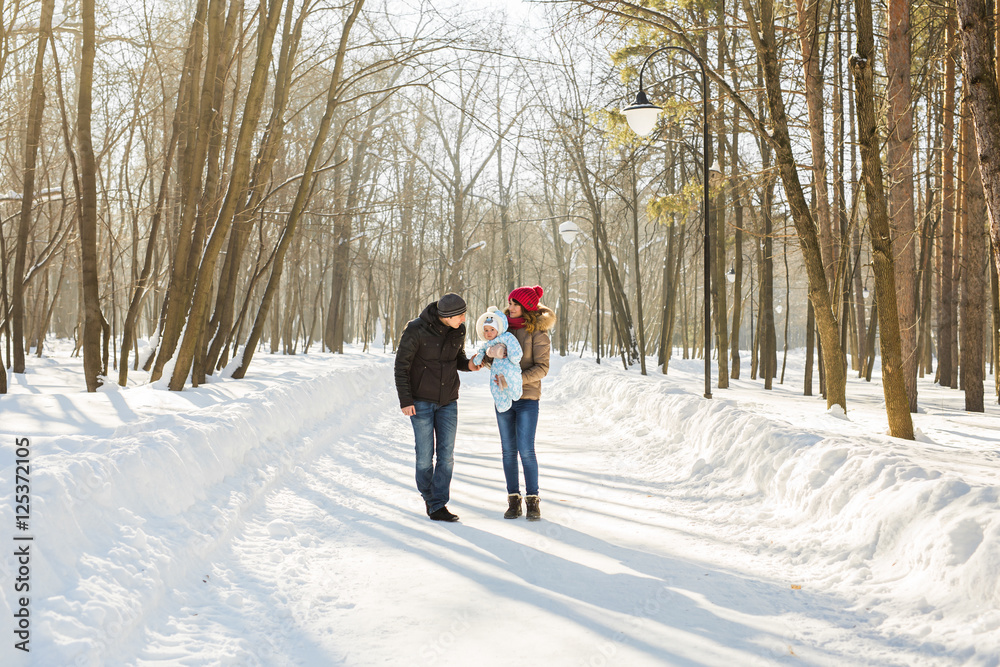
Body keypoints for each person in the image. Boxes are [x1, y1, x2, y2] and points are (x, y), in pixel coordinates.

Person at [394, 293, 481, 522]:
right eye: (460, 315)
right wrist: (406, 400)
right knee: (424, 456)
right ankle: (430, 498)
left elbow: (457, 359)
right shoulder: (416, 329)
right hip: (420, 401)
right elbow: (401, 366)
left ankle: (437, 503)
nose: (463, 319)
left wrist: (470, 365)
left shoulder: (458, 330)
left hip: (448, 401)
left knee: (446, 456)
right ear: (447, 315)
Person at [485, 285, 555, 521]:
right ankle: (513, 500)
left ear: (526, 307)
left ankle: (533, 500)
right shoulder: (502, 329)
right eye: (510, 303)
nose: (511, 307)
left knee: (526, 450)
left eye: (515, 303)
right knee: (507, 451)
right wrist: (490, 355)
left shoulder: (538, 333)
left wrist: (515, 380)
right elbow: (490, 358)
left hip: (527, 399)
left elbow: (542, 368)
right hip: (503, 397)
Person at [472, 306, 523, 412]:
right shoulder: (488, 344)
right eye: (486, 330)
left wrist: (514, 356)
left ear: (498, 329)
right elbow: (481, 351)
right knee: (494, 384)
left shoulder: (506, 336)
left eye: (492, 329)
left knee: (513, 377)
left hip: (510, 366)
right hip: (496, 369)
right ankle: (502, 404)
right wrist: (479, 358)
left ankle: (516, 392)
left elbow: (514, 346)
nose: (489, 333)